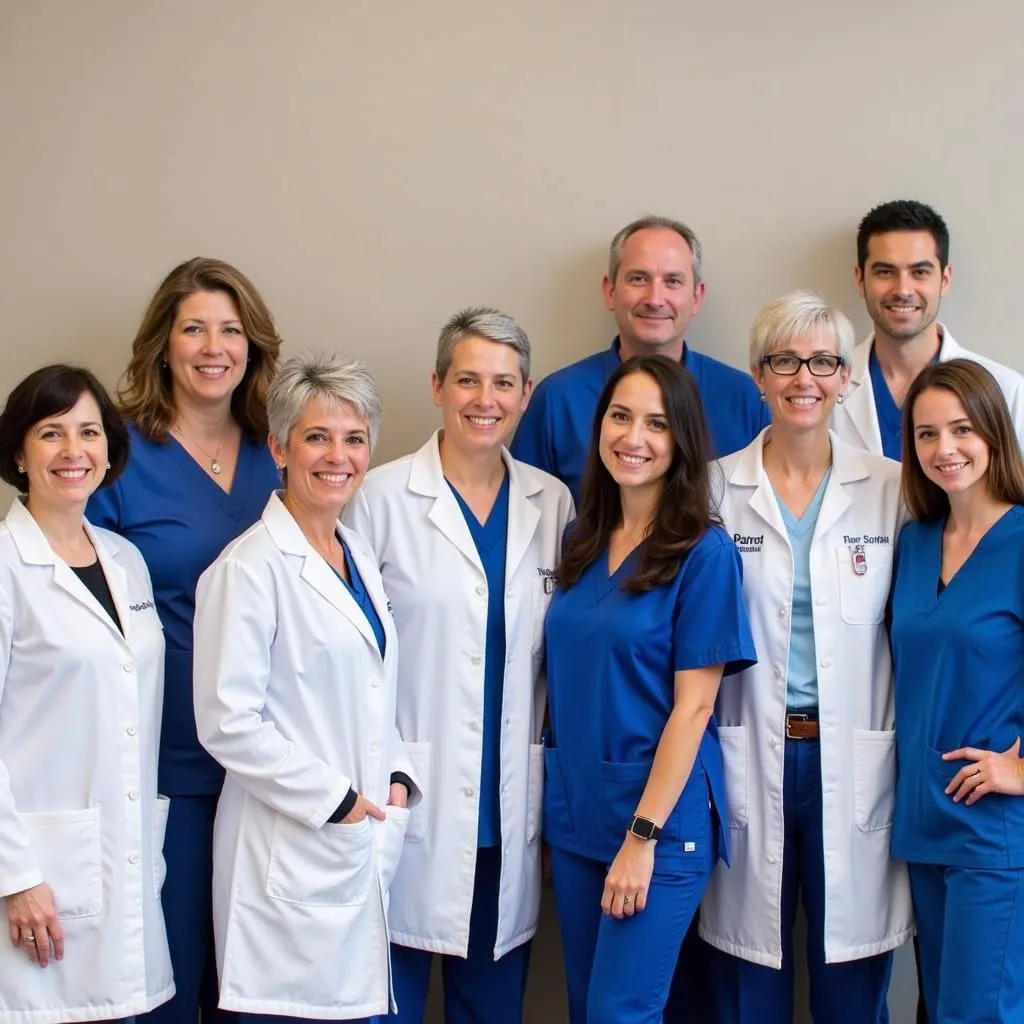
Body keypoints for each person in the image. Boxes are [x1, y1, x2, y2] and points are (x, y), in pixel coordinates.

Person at [345, 307, 574, 1023]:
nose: (486, 399)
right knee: (385, 1004)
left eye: (504, 383)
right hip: (400, 795)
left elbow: (556, 663)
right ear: (438, 385)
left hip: (505, 811)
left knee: (492, 1009)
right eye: (468, 380)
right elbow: (344, 655)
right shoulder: (378, 498)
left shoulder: (552, 502)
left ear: (526, 394)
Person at [699, 292, 912, 1023]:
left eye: (823, 361)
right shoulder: (713, 491)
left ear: (846, 376)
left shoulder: (892, 489)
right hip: (748, 754)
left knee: (851, 981)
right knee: (745, 975)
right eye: (785, 361)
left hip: (851, 758)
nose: (804, 378)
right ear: (758, 376)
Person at [193, 351, 418, 1022]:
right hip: (288, 852)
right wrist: (338, 801)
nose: (337, 456)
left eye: (354, 439)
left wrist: (398, 772)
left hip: (355, 839)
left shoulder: (355, 557)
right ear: (279, 446)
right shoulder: (250, 569)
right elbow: (227, 722)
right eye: (317, 437)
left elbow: (374, 689)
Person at [87, 258, 283, 1024]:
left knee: (258, 991)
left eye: (231, 329)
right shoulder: (117, 456)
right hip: (164, 764)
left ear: (253, 344)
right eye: (193, 327)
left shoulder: (284, 450)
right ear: (162, 344)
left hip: (275, 766)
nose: (213, 346)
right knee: (170, 980)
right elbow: (80, 615)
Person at [542, 354, 756, 1024]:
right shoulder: (581, 541)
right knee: (586, 1007)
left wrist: (641, 837)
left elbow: (694, 709)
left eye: (656, 424)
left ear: (682, 441)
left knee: (619, 1012)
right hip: (578, 815)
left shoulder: (704, 553)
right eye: (620, 416)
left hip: (656, 824)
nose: (633, 437)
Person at [0, 365, 172, 1022]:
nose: (74, 452)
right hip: (37, 878)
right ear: (19, 451)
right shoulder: (7, 568)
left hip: (118, 863)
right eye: (52, 433)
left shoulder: (125, 559)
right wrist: (15, 877)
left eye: (89, 432)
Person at [889, 358, 1024, 1023]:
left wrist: (1020, 769)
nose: (945, 450)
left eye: (962, 430)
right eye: (926, 434)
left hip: (994, 833)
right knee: (942, 1011)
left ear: (995, 432)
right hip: (923, 825)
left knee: (981, 1014)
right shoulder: (915, 541)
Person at [512, 215, 768, 503]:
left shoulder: (746, 399)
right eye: (638, 279)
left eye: (672, 281)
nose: (655, 299)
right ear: (610, 292)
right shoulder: (557, 400)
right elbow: (525, 519)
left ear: (696, 297)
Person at [833, 198, 1024, 459]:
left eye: (920, 272)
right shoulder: (825, 388)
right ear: (860, 280)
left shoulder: (1006, 390)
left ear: (944, 280)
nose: (903, 290)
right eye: (885, 272)